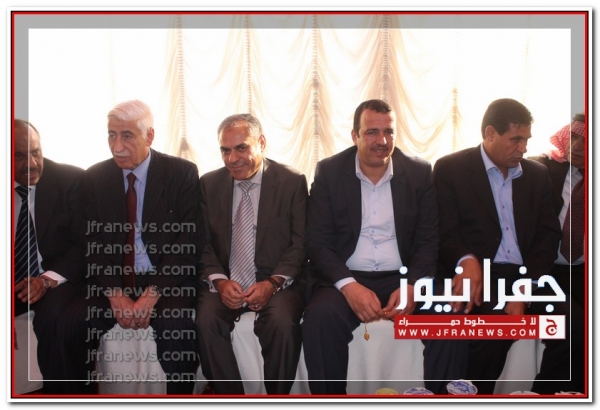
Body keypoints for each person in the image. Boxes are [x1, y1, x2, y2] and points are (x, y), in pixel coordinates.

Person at [302, 99, 466, 395]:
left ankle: (444, 400)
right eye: (372, 132)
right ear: (355, 135)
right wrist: (349, 286)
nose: (382, 140)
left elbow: (428, 239)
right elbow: (318, 242)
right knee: (320, 318)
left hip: (403, 275)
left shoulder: (418, 172)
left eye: (389, 131)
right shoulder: (330, 171)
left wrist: (413, 285)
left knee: (449, 318)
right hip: (348, 275)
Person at [433, 98, 582, 394]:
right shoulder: (452, 168)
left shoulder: (536, 174)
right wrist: (465, 259)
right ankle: (470, 397)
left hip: (530, 276)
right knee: (492, 332)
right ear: (490, 133)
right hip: (482, 277)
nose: (523, 148)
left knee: (578, 329)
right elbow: (444, 232)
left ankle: (543, 397)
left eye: (526, 140)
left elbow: (547, 237)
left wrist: (525, 288)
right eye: (516, 139)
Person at [58, 100, 202, 394]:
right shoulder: (95, 177)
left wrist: (151, 295)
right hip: (113, 279)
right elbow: (93, 243)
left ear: (150, 136)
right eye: (112, 135)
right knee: (72, 323)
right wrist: (114, 294)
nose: (117, 146)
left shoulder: (181, 173)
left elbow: (188, 243)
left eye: (127, 136)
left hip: (165, 281)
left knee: (176, 328)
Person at [196, 113, 307, 394]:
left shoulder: (291, 182)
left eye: (241, 148)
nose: (233, 159)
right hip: (226, 281)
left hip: (274, 282)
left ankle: (276, 398)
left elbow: (300, 243)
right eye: (225, 150)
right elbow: (202, 244)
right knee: (206, 320)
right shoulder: (209, 185)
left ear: (262, 143)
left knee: (282, 323)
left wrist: (273, 283)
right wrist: (220, 282)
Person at [13, 119, 85, 393]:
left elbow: (84, 244)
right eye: (19, 156)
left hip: (57, 277)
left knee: (54, 318)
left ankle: (61, 397)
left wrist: (45, 280)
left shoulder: (69, 180)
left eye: (35, 152)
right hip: (14, 280)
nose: (31, 164)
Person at [530, 113, 586, 393]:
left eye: (587, 141)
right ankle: (543, 395)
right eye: (573, 137)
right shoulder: (542, 169)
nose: (577, 146)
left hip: (585, 273)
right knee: (573, 327)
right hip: (546, 272)